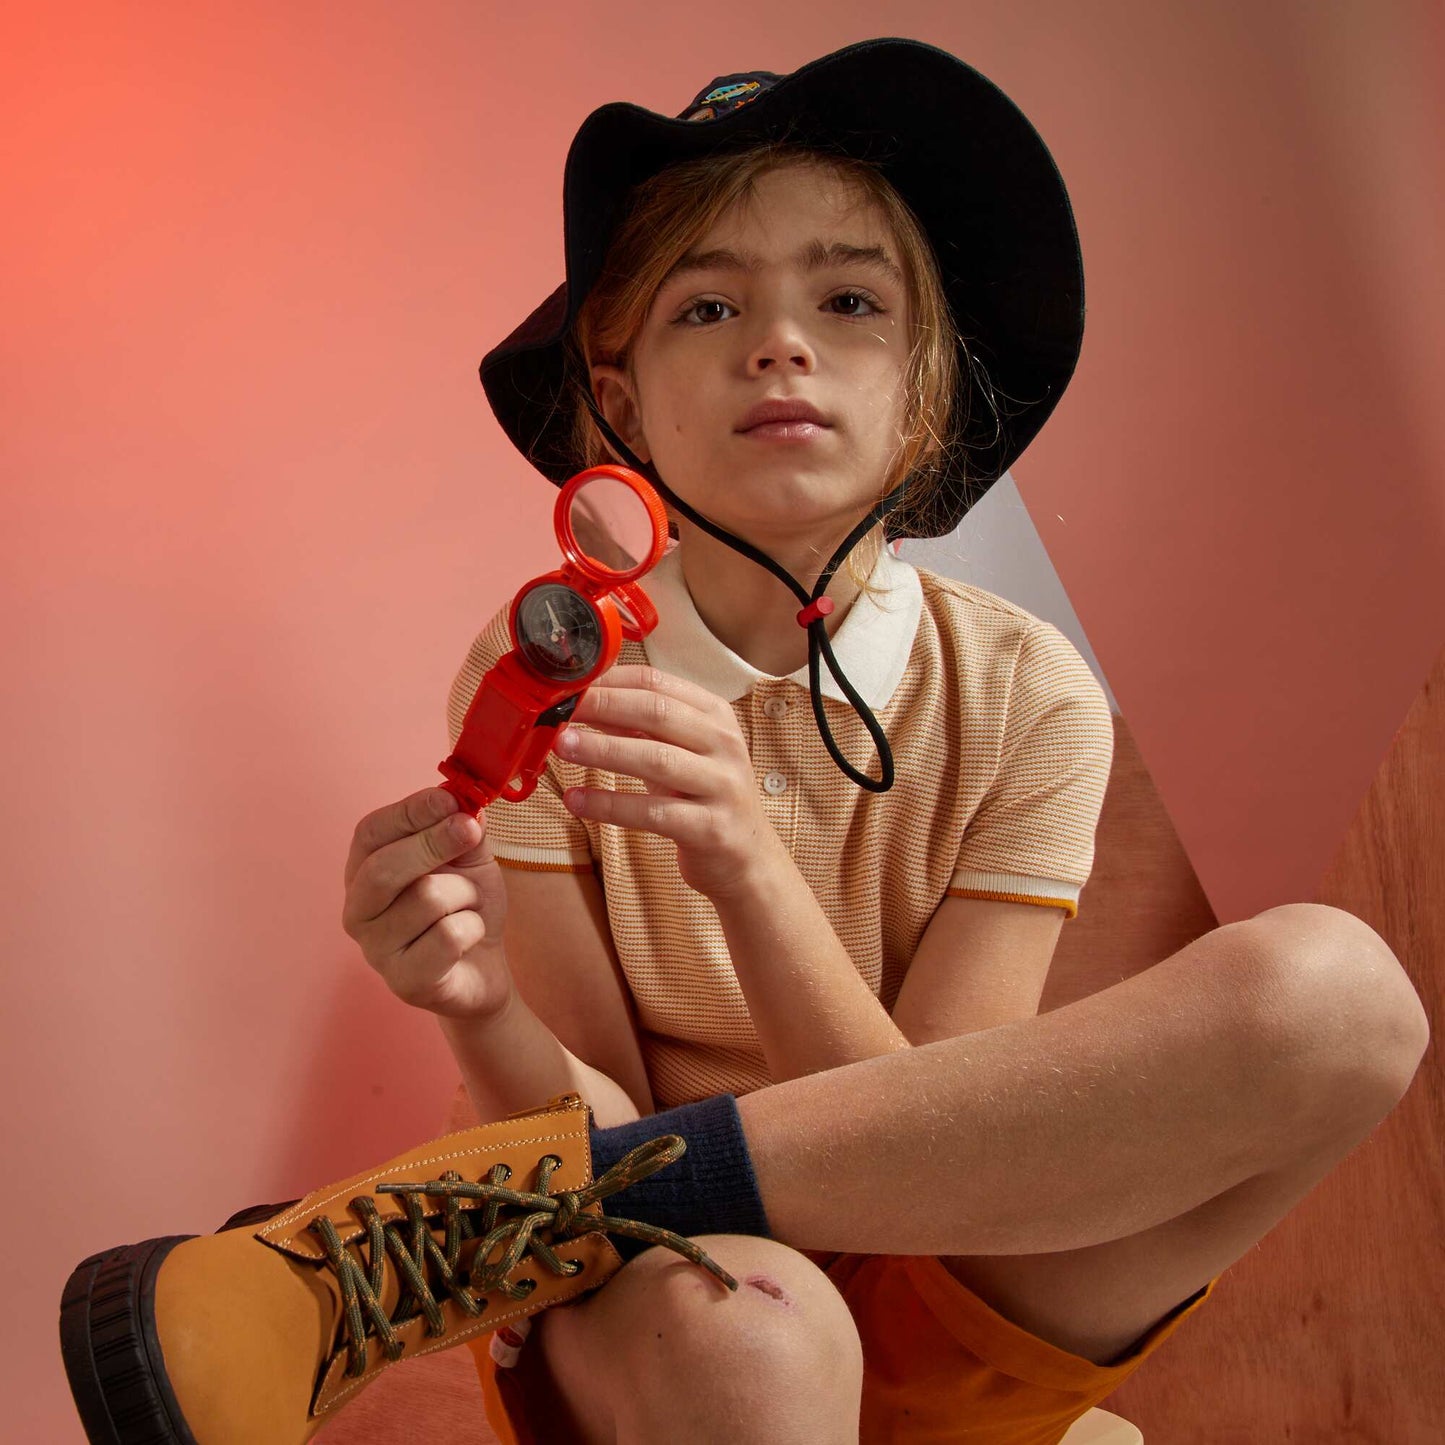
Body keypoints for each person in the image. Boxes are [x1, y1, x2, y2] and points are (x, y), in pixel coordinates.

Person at [59, 38, 1428, 1445]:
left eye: (849, 300)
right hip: (676, 1304)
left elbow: (953, 1152)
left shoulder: (1027, 694)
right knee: (761, 1343)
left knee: (1340, 996)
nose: (779, 343)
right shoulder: (550, 671)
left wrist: (747, 868)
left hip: (957, 1275)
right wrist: (479, 1005)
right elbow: (589, 1102)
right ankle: (534, 1232)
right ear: (620, 401)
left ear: (926, 388)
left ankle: (433, 1238)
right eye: (707, 306)